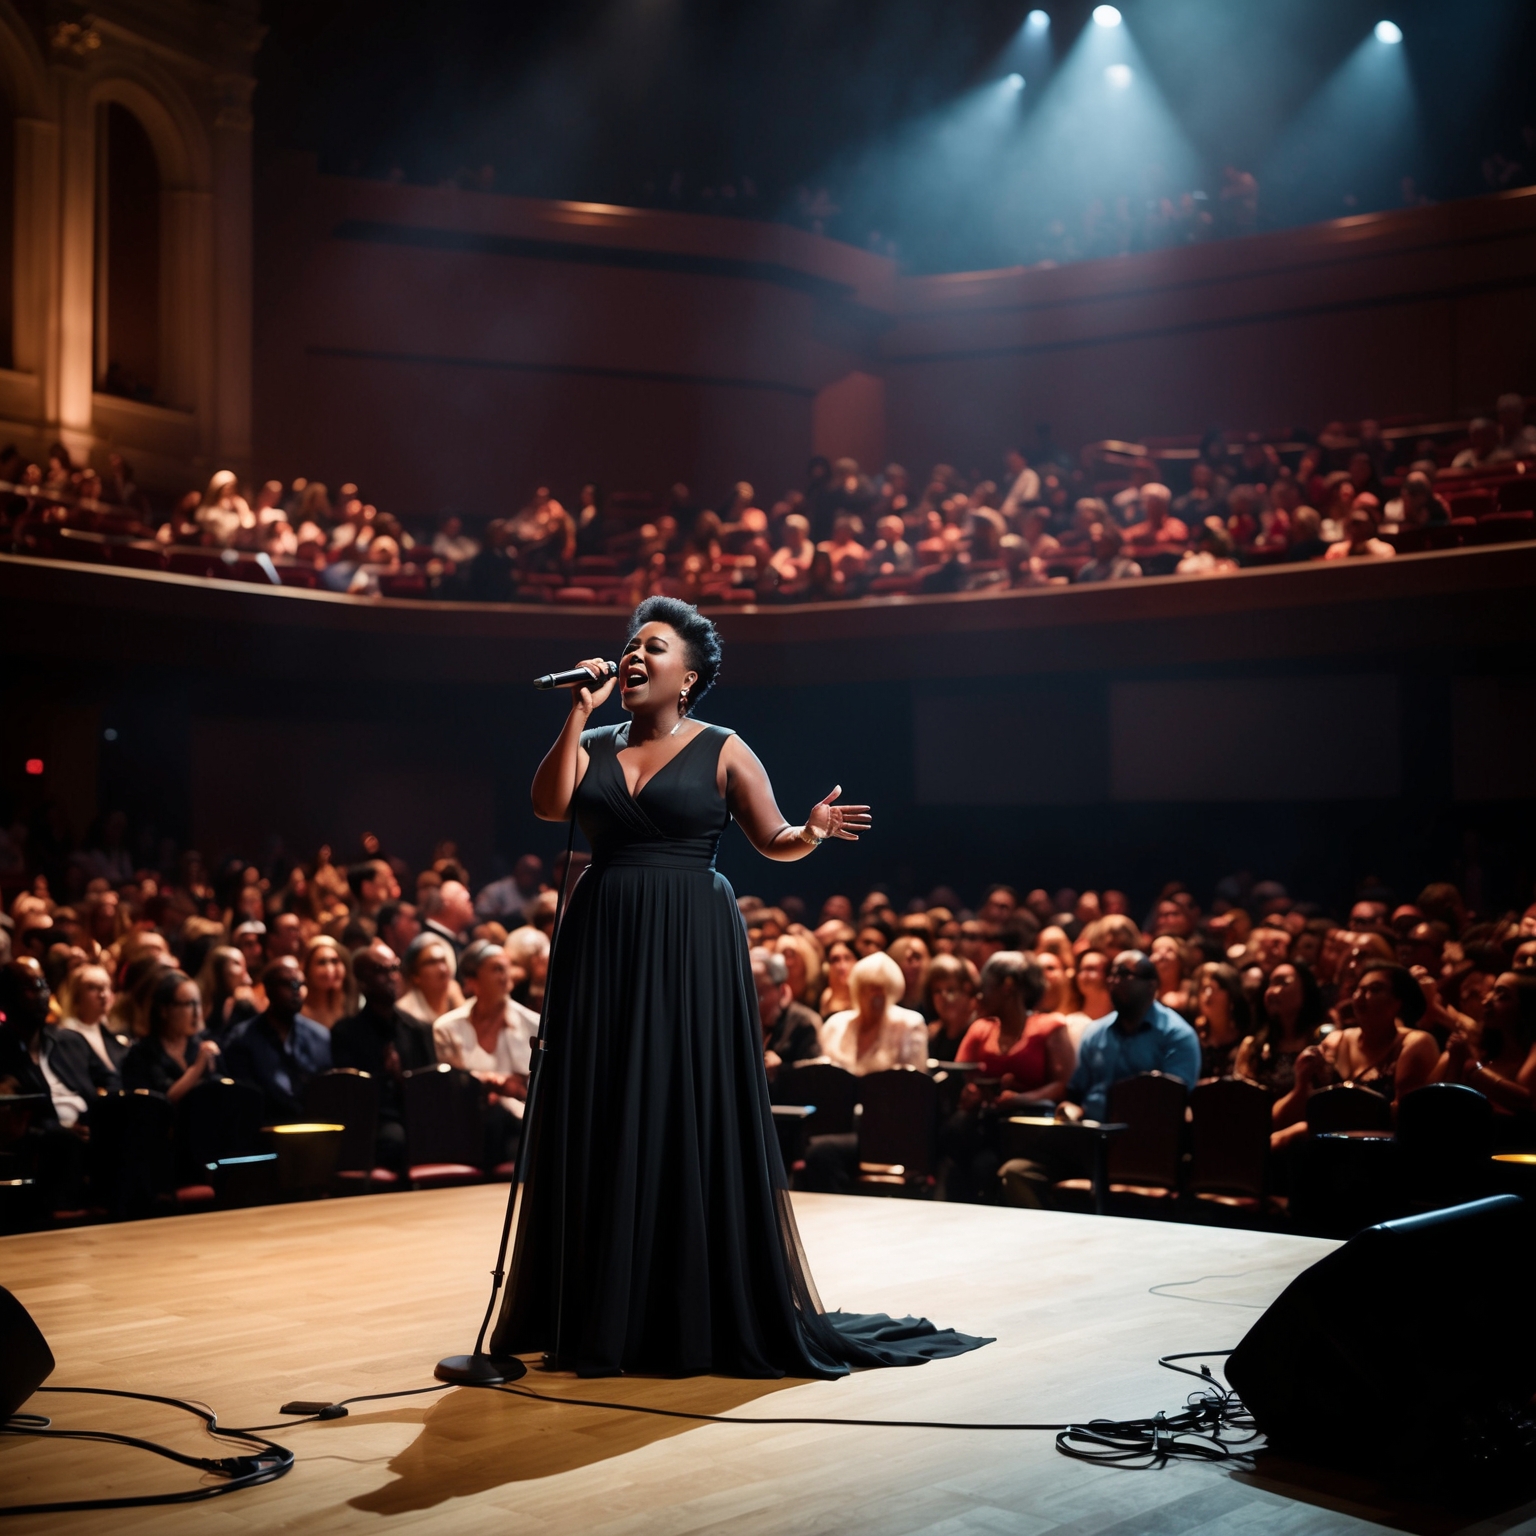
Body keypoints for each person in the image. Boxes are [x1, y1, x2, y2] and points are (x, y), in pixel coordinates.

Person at [492, 596, 984, 1378]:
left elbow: (775, 839)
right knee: (604, 1100)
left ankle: (680, 1300)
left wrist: (813, 833)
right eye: (629, 646)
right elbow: (549, 805)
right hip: (603, 934)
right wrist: (575, 713)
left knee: (675, 1100)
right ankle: (589, 1302)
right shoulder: (590, 739)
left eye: (652, 647)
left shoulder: (723, 747)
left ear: (687, 676)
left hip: (688, 937)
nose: (633, 656)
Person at [330, 941, 436, 1173]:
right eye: (381, 971)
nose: (392, 977)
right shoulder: (346, 1033)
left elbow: (430, 1087)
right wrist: (384, 1073)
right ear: (361, 982)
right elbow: (350, 1094)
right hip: (374, 1122)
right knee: (395, 1139)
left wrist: (402, 1077)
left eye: (394, 968)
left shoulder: (418, 1029)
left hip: (417, 1116)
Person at [433, 945, 536, 1171]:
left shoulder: (533, 1024)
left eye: (506, 969)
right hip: (467, 1118)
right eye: (496, 969)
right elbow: (449, 1083)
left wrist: (515, 1090)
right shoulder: (448, 1027)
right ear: (472, 980)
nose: (504, 976)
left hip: (522, 1119)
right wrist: (482, 1084)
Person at [222, 956, 332, 1122]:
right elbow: (245, 1102)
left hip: (312, 1128)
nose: (296, 991)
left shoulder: (320, 1037)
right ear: (268, 989)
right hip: (263, 1130)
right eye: (287, 984)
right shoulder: (242, 1040)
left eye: (300, 984)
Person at [818, 952, 929, 1076]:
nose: (873, 996)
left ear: (891, 990)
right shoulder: (835, 1024)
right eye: (866, 988)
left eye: (879, 989)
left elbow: (916, 1084)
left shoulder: (909, 1024)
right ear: (857, 988)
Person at [121, 969, 221, 1102]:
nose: (197, 1013)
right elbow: (162, 1102)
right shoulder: (143, 1053)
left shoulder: (201, 1045)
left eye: (198, 1003)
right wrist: (197, 1068)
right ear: (164, 1011)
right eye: (189, 1004)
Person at [1235, 961, 1325, 1104]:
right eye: (1270, 984)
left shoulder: (1321, 1044)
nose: (1272, 991)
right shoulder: (1253, 1047)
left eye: (1283, 982)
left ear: (1305, 990)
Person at [754, 948, 821, 1081]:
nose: (755, 997)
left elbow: (812, 1076)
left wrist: (782, 1070)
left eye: (761, 990)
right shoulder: (740, 1019)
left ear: (780, 988)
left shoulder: (803, 1022)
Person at [58, 962, 128, 1080]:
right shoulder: (68, 1034)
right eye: (93, 988)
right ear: (76, 996)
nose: (102, 994)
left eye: (106, 987)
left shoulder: (112, 1030)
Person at [1191, 961, 1251, 1078]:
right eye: (1203, 989)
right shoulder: (1193, 1039)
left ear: (1231, 995)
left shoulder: (1245, 1042)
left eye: (1214, 988)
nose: (1207, 995)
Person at [398, 933, 463, 1026]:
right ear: (415, 976)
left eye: (443, 961)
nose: (443, 970)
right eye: (432, 963)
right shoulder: (406, 1015)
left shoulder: (455, 998)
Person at [301, 935, 355, 1029]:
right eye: (322, 962)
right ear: (307, 970)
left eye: (335, 961)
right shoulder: (299, 1012)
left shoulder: (355, 1006)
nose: (330, 970)